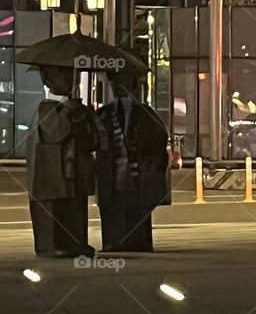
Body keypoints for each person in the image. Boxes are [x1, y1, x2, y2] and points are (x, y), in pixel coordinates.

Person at [26, 64, 104, 258]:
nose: (70, 80)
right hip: (51, 170)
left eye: (72, 75)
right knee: (54, 209)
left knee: (76, 208)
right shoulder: (46, 108)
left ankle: (76, 242)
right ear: (48, 79)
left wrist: (83, 116)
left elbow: (95, 139)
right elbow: (56, 132)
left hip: (75, 169)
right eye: (64, 75)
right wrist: (71, 111)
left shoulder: (78, 108)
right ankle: (52, 245)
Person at [95, 70, 171, 252]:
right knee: (113, 213)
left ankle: (138, 242)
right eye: (116, 83)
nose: (120, 88)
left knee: (138, 214)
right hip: (111, 179)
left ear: (134, 85)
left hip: (139, 178)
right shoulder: (102, 115)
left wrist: (152, 165)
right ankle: (113, 242)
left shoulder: (146, 115)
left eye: (125, 82)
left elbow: (159, 141)